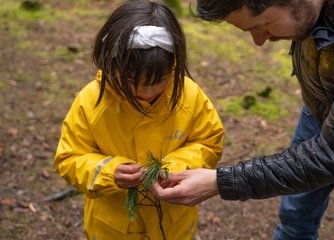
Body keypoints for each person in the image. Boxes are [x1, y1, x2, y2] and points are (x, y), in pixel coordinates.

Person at [151, 0, 334, 239]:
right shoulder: (306, 12)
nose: (259, 40)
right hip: (318, 108)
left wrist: (219, 182)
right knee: (295, 213)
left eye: (263, 25)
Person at [53, 1, 224, 239]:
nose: (145, 91)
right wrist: (108, 172)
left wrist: (172, 168)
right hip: (112, 229)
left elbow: (208, 142)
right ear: (112, 62)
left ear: (173, 63)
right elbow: (69, 158)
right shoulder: (91, 101)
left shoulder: (189, 96)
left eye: (159, 79)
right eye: (133, 78)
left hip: (172, 227)